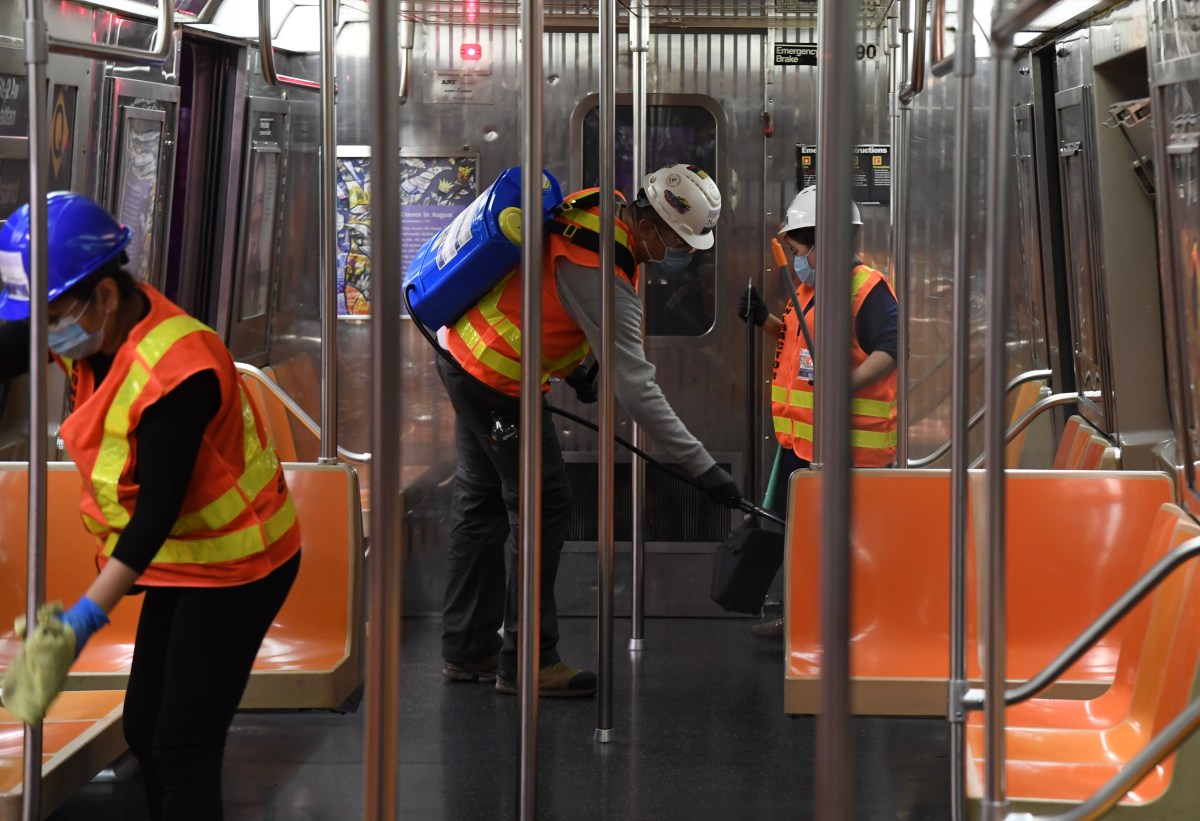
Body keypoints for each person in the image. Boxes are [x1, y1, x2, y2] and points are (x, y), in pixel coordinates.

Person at [0, 193, 301, 820]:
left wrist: (80, 623)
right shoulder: (91, 321)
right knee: (143, 728)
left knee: (180, 745)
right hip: (181, 560)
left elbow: (157, 509)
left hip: (241, 566)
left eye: (51, 315)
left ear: (105, 295)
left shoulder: (179, 371)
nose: (44, 332)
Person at [437, 163, 741, 696]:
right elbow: (638, 390)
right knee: (543, 506)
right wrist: (703, 467)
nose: (683, 253)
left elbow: (543, 295)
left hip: (467, 355)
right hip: (498, 380)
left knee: (481, 504)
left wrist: (577, 368)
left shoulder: (599, 211)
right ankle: (529, 661)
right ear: (652, 224)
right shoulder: (603, 270)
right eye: (679, 241)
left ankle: (468, 650)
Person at [738, 185, 898, 641]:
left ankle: (850, 629)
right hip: (804, 441)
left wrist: (841, 384)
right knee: (805, 539)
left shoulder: (866, 288)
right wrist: (764, 320)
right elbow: (797, 345)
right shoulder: (807, 289)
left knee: (843, 543)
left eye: (797, 247)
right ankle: (805, 621)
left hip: (848, 445)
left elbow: (889, 351)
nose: (795, 257)